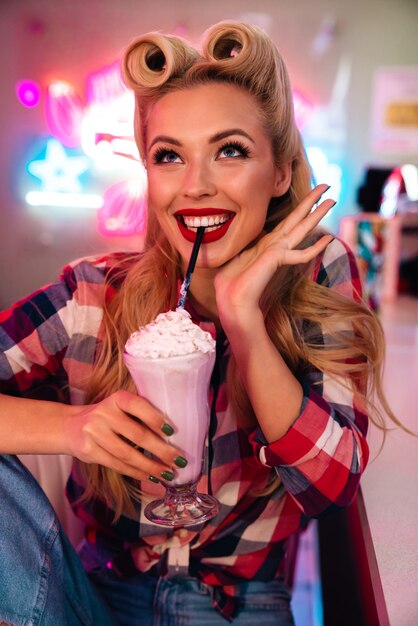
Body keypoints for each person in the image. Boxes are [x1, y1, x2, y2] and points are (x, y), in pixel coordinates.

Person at [0, 21, 400, 626]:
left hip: (239, 604)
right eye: (169, 156)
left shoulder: (317, 272)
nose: (196, 186)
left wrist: (244, 318)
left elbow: (330, 484)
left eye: (231, 150)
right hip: (96, 595)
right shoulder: (91, 293)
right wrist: (73, 428)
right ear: (149, 173)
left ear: (281, 173)